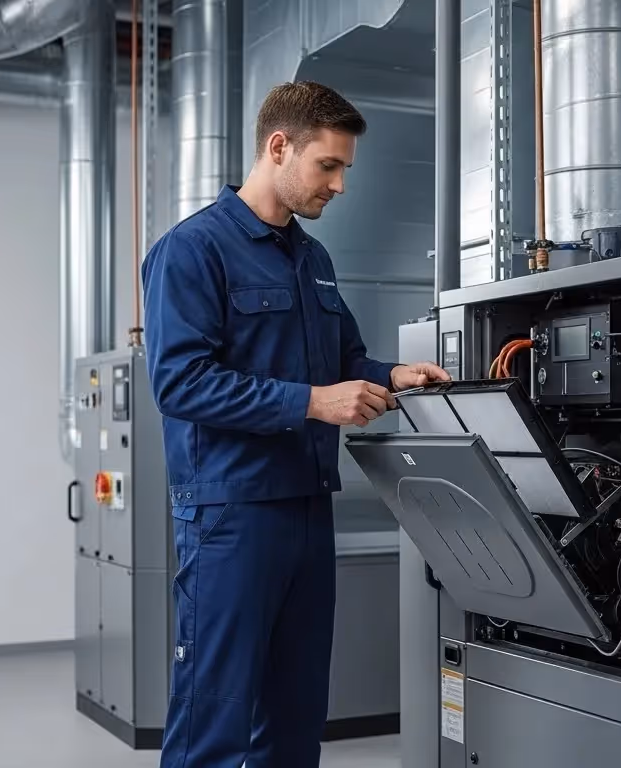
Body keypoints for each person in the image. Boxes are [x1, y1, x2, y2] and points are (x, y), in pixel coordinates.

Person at [141, 80, 450, 768]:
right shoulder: (192, 250)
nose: (339, 185)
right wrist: (313, 402)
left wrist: (392, 375)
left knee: (296, 712)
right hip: (230, 514)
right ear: (279, 147)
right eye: (328, 165)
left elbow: (343, 362)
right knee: (213, 715)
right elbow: (179, 383)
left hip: (308, 507)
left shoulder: (313, 259)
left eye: (344, 169)